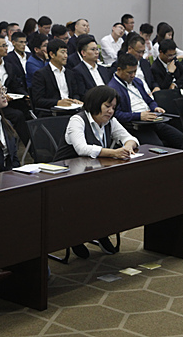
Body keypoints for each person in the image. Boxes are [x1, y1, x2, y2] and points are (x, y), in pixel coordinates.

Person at [54, 85, 139, 257]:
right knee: (93, 195)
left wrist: (128, 147)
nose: (110, 111)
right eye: (107, 106)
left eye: (113, 107)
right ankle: (75, 236)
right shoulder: (77, 120)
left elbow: (129, 138)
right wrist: (113, 152)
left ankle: (101, 231)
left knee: (113, 193)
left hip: (93, 172)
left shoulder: (110, 121)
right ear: (95, 103)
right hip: (68, 174)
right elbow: (81, 148)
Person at [108, 53, 183, 148]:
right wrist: (139, 116)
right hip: (135, 125)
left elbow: (149, 100)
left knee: (181, 139)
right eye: (129, 72)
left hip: (151, 120)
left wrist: (155, 108)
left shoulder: (137, 82)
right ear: (119, 70)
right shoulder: (112, 89)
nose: (133, 75)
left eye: (135, 71)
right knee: (157, 147)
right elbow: (116, 115)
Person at [31, 38, 82, 112]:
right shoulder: (41, 74)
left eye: (66, 53)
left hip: (71, 108)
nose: (66, 56)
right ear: (52, 54)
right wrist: (58, 102)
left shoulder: (70, 73)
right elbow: (38, 100)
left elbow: (75, 93)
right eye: (62, 52)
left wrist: (75, 100)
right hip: (52, 112)